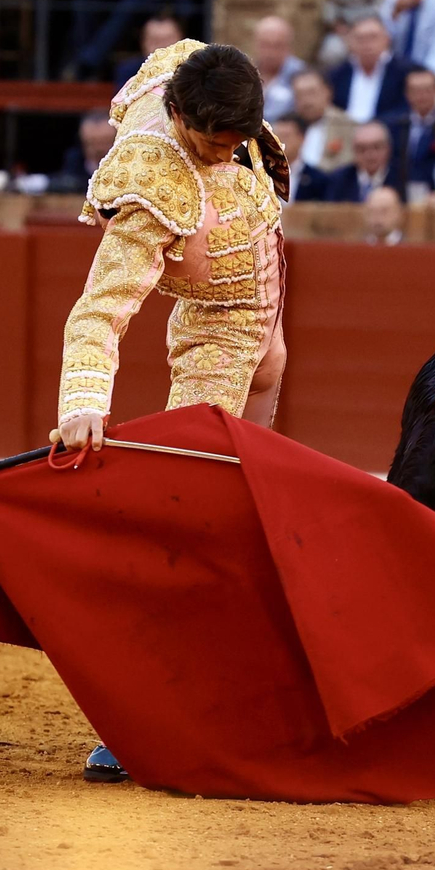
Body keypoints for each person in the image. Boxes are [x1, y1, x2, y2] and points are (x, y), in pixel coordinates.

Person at [51, 41, 288, 783]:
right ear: (179, 115)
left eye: (238, 140)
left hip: (259, 301)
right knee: (186, 519)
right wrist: (85, 402)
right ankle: (140, 716)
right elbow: (99, 311)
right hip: (219, 326)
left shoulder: (191, 69)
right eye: (212, 141)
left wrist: (275, 344)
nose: (227, 154)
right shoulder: (152, 176)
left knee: (240, 519)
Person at [290, 68, 357, 173]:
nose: (306, 101)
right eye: (300, 95)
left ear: (328, 92)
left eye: (311, 93)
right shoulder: (287, 128)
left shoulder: (347, 126)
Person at [387, 67, 435, 184]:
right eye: (415, 91)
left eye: (427, 90)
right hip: (401, 188)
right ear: (407, 94)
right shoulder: (393, 125)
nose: (421, 96)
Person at [250, 16, 306, 123]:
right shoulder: (244, 73)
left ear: (289, 47)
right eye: (265, 45)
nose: (270, 53)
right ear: (255, 44)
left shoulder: (302, 75)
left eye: (277, 45)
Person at [324, 120, 397, 203]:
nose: (370, 154)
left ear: (388, 148)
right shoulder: (339, 180)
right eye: (362, 149)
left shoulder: (401, 178)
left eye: (376, 147)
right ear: (353, 151)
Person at [112, 12, 186, 89]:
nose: (162, 47)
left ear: (182, 39)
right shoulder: (129, 71)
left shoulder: (192, 69)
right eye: (155, 41)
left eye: (168, 40)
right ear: (143, 42)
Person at [54, 110, 116, 194]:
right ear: (82, 140)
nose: (99, 148)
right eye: (92, 143)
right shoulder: (74, 162)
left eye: (105, 142)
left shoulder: (126, 165)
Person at [275, 112, 329, 202]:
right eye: (275, 136)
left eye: (286, 136)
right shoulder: (260, 175)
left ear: (302, 138)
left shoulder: (318, 180)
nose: (279, 142)